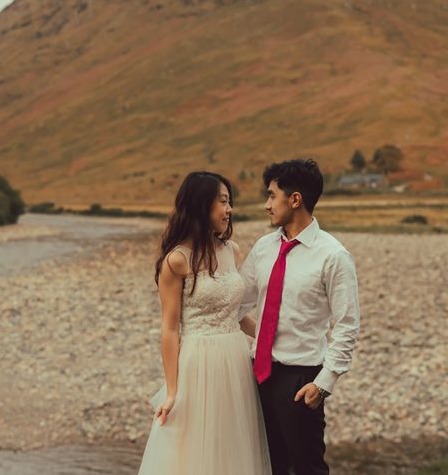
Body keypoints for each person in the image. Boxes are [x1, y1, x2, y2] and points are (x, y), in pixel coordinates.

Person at [137, 171, 271, 474]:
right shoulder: (177, 260)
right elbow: (170, 329)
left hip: (236, 361)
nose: (229, 209)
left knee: (235, 445)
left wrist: (269, 338)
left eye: (229, 202)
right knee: (197, 450)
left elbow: (235, 313)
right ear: (200, 204)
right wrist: (172, 391)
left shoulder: (231, 250)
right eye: (223, 201)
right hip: (199, 364)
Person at [239, 159, 361, 475]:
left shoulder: (333, 256)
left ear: (295, 200)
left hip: (302, 380)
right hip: (257, 375)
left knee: (307, 469)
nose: (266, 205)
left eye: (271, 196)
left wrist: (324, 383)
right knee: (268, 466)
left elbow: (347, 324)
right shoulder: (263, 247)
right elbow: (238, 304)